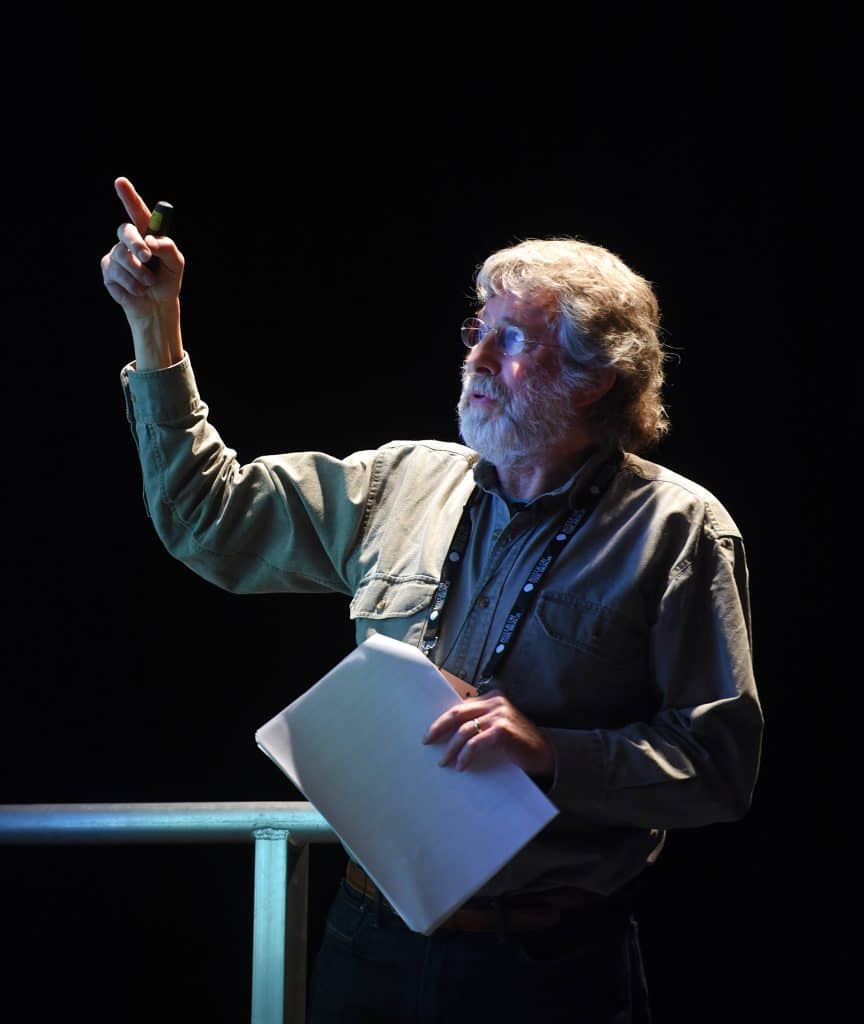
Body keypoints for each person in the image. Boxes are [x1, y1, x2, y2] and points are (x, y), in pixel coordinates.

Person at [102, 176, 763, 1023]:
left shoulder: (680, 530)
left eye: (513, 339)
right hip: (366, 941)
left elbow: (719, 768)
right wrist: (155, 326)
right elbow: (209, 519)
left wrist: (551, 751)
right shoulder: (402, 482)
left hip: (548, 967)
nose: (478, 360)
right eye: (476, 332)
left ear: (597, 378)